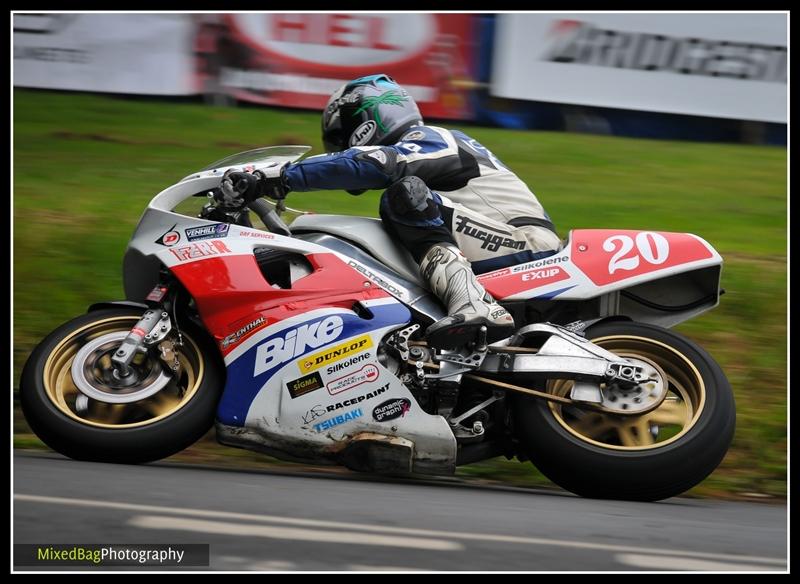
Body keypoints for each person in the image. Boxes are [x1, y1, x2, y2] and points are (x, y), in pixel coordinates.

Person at [222, 74, 561, 349]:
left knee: (404, 195)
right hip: (498, 239)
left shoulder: (434, 137)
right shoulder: (424, 145)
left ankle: (475, 304)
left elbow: (377, 164)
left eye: (339, 137)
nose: (339, 148)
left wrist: (280, 177)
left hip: (524, 242)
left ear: (365, 120)